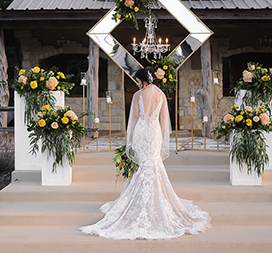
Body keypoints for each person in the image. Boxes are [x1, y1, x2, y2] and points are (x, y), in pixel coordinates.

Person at [80, 68, 211, 240]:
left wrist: (131, 139)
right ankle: (154, 200)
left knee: (143, 164)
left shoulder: (137, 96)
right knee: (153, 163)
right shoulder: (161, 95)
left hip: (141, 131)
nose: (136, 84)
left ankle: (140, 200)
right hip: (154, 131)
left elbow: (133, 119)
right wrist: (162, 137)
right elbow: (164, 120)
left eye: (137, 81)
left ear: (144, 81)